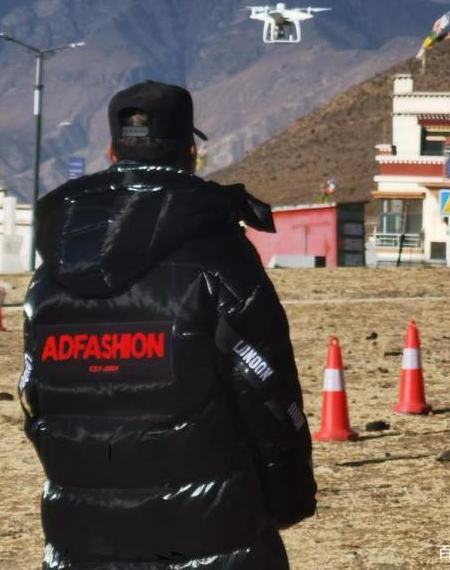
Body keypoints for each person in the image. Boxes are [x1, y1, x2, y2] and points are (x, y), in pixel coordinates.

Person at [19, 80, 317, 569]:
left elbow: (35, 397)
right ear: (191, 154)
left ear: (112, 151)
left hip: (83, 536)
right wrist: (289, 497)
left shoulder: (50, 270)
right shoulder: (218, 253)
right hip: (214, 538)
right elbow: (266, 392)